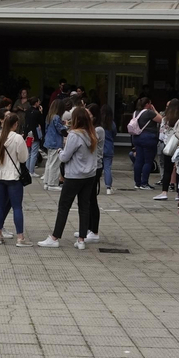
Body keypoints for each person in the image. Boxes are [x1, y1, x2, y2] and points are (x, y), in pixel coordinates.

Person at [39, 106, 102, 250]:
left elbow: (65, 157)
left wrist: (61, 150)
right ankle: (81, 239)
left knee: (64, 206)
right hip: (89, 175)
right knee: (84, 206)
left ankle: (55, 237)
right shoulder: (92, 134)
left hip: (74, 175)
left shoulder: (74, 135)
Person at [0, 112, 30, 246]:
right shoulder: (17, 138)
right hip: (13, 176)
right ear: (15, 124)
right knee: (17, 207)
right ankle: (20, 238)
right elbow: (23, 158)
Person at [131, 97, 161, 189]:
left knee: (139, 160)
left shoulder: (135, 112)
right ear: (147, 104)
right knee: (148, 161)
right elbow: (161, 119)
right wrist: (155, 110)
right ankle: (144, 183)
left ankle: (137, 183)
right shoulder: (149, 112)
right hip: (148, 138)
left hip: (137, 138)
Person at [156, 99, 179, 198]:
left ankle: (164, 192)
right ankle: (178, 193)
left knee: (167, 169)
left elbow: (162, 134)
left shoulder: (165, 119)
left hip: (168, 146)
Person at [40, 99, 66, 190]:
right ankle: (52, 184)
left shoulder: (49, 116)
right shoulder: (56, 117)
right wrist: (66, 128)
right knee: (55, 164)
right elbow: (61, 129)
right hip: (56, 142)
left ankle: (47, 182)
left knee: (49, 163)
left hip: (49, 141)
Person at [97, 104, 117, 195]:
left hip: (99, 147)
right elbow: (114, 134)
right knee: (107, 168)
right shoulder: (112, 124)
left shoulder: (99, 123)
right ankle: (108, 187)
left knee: (97, 167)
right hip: (109, 147)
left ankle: (95, 185)